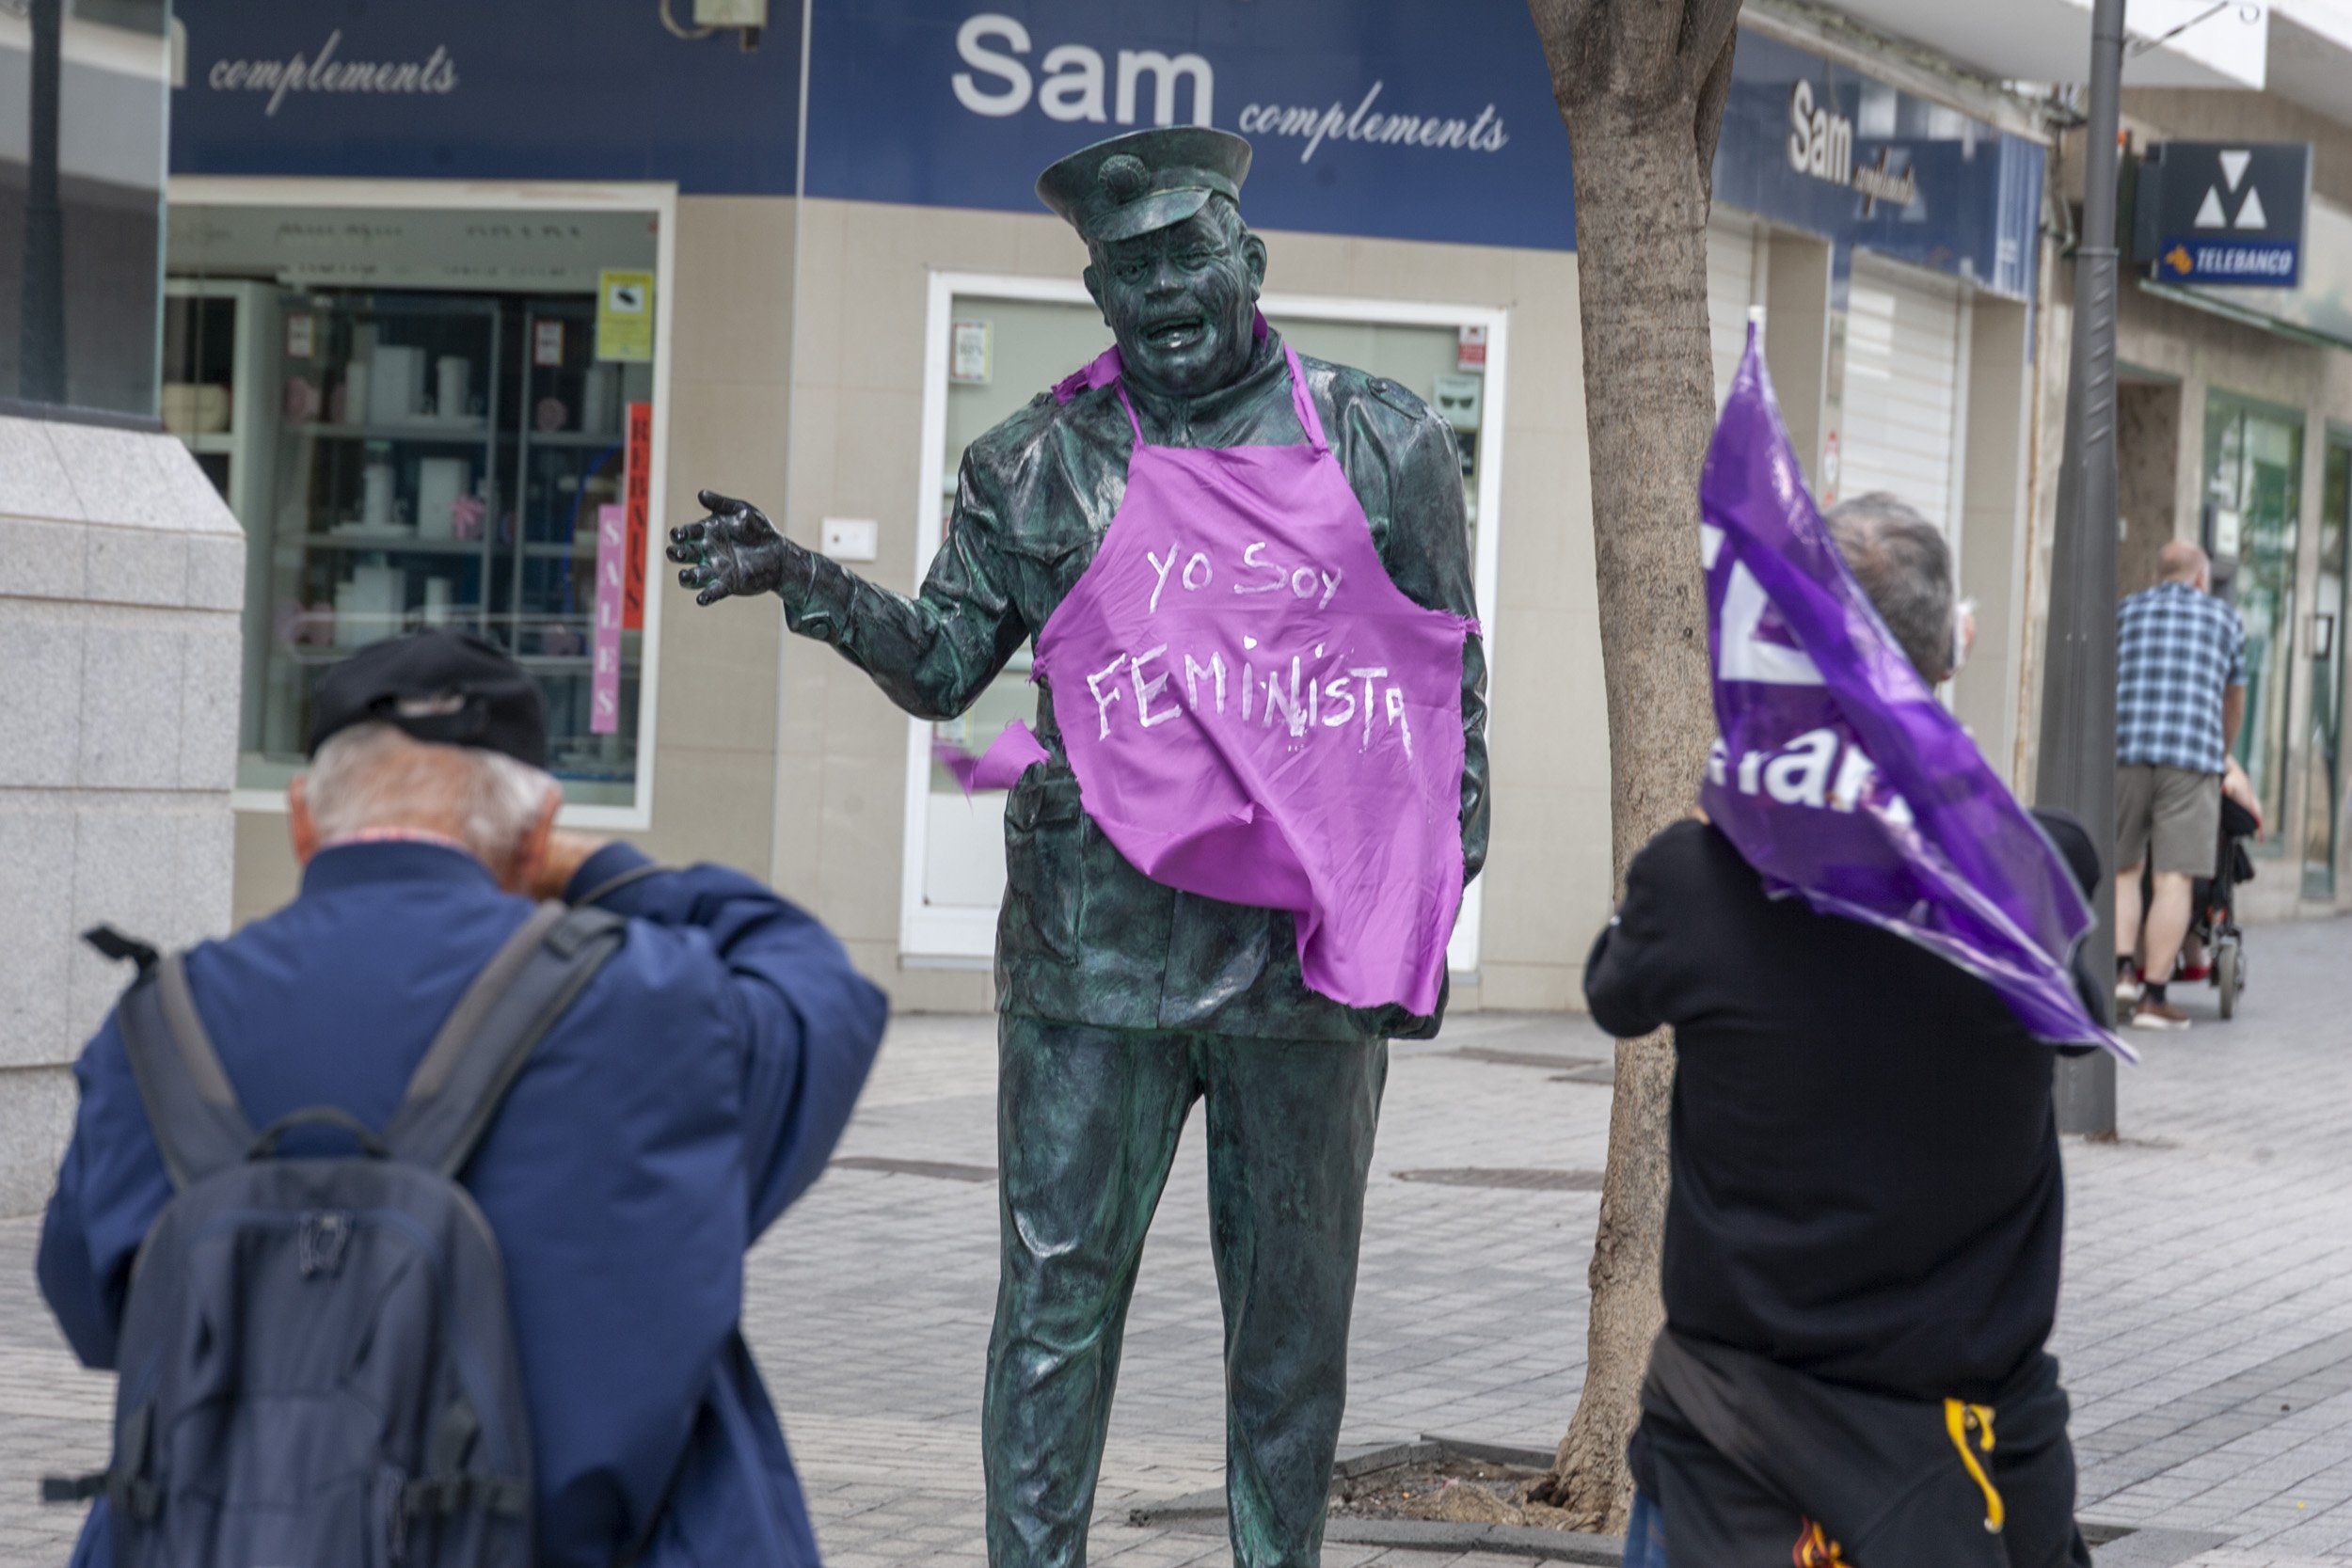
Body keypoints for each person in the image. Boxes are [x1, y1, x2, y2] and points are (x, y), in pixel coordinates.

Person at [668, 126, 1486, 1568]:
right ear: (1098, 292)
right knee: (1055, 1310)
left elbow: (1439, 683)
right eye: (1128, 269)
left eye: (1185, 255)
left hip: (1301, 961)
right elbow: (940, 664)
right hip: (1092, 950)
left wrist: (1426, 875)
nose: (1162, 290)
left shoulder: (1381, 439)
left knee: (1293, 1330)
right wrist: (806, 579)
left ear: (1250, 258)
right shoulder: (1038, 460)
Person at [38, 629, 888, 1567]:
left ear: (301, 820)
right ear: (537, 830)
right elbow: (821, 990)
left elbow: (94, 1308)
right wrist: (604, 871)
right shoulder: (655, 1009)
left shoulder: (157, 1028)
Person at [1595, 495, 2094, 1568]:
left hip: (1736, 1465)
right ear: (1948, 651)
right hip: (1972, 1472)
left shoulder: (1695, 878)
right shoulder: (2031, 868)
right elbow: (2083, 1028)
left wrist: (1715, 812)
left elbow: (1613, 989)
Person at [2113, 540, 2248, 1029]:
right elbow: (2233, 702)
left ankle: (2121, 973)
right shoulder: (2225, 620)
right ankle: (2153, 997)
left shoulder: (2125, 611)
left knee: (2126, 869)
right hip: (2191, 758)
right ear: (2198, 579)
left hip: (2126, 752)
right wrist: (2221, 751)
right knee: (2173, 878)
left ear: (2159, 576)